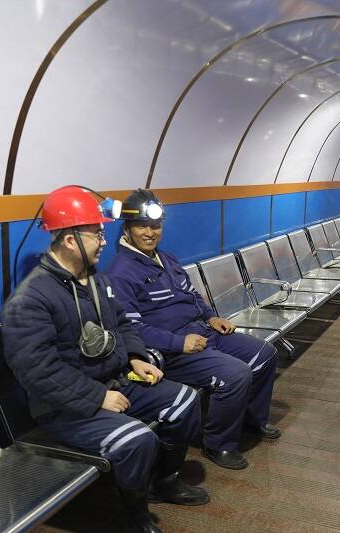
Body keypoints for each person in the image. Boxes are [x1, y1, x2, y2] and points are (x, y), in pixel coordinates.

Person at [1, 186, 209, 533]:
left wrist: (136, 357)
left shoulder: (95, 280)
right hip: (64, 406)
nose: (103, 241)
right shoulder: (31, 300)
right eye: (96, 234)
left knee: (186, 402)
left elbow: (122, 323)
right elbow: (37, 371)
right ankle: (134, 516)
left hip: (114, 381)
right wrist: (98, 397)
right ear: (70, 240)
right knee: (137, 440)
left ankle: (165, 482)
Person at [107, 189, 280, 471]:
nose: (150, 232)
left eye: (155, 226)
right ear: (127, 229)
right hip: (171, 352)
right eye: (142, 226)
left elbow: (193, 295)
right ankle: (219, 443)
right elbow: (132, 329)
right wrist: (179, 343)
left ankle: (250, 419)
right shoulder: (120, 273)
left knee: (265, 354)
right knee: (235, 375)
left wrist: (211, 317)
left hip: (203, 333)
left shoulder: (168, 260)